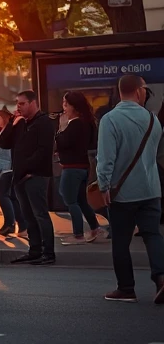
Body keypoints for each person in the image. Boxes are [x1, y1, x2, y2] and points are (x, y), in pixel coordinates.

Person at [96, 75, 164, 304]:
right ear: (138, 91)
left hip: (122, 192)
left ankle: (126, 288)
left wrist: (104, 185)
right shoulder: (153, 120)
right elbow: (154, 155)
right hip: (151, 189)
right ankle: (161, 278)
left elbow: (105, 158)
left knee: (121, 241)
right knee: (152, 235)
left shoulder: (110, 120)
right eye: (145, 90)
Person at [0, 90, 56, 265]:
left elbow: (43, 151)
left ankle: (48, 252)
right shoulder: (21, 123)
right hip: (20, 177)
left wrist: (27, 168)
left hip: (35, 175)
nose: (19, 107)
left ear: (33, 103)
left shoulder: (44, 122)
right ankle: (34, 250)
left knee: (40, 214)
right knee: (28, 215)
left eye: (22, 104)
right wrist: (11, 123)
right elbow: (3, 143)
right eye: (17, 104)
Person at [56, 91, 108, 245]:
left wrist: (61, 128)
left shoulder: (75, 124)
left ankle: (78, 235)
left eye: (66, 104)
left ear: (74, 106)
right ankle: (95, 228)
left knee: (70, 200)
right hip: (82, 166)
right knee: (81, 200)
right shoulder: (86, 123)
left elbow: (63, 143)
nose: (63, 107)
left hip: (72, 167)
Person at [0, 109, 28, 238]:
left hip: (7, 168)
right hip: (4, 167)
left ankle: (10, 223)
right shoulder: (4, 130)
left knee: (2, 194)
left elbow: (6, 146)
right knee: (11, 196)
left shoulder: (9, 129)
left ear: (4, 117)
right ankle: (21, 225)